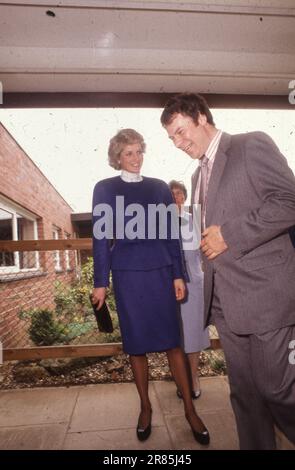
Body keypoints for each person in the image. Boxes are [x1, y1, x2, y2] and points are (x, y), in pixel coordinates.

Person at [161, 93, 295, 450]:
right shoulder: (196, 175)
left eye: (180, 131)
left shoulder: (251, 145)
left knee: (277, 389)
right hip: (225, 303)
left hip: (266, 296)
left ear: (202, 117)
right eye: (171, 138)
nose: (178, 142)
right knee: (245, 397)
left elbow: (289, 202)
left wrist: (230, 235)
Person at [91, 128, 210, 445]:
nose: (135, 158)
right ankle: (145, 408)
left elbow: (172, 235)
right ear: (117, 157)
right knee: (136, 346)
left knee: (174, 342)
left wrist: (177, 274)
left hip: (161, 273)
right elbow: (101, 238)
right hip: (128, 276)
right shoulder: (104, 189)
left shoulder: (159, 188)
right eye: (128, 153)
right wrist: (100, 283)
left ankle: (189, 410)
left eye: (139, 151)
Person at [168, 180, 210, 399]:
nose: (176, 197)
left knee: (193, 334)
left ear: (184, 197)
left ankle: (193, 378)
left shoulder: (194, 221)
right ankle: (180, 380)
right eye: (172, 194)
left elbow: (204, 253)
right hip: (170, 286)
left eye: (179, 193)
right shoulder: (161, 223)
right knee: (175, 336)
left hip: (194, 284)